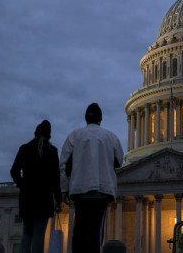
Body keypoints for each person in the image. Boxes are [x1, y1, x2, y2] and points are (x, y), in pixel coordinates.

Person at [59, 103, 124, 253]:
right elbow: (119, 161)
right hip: (102, 189)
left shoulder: (75, 135)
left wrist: (63, 189)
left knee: (79, 229)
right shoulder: (111, 137)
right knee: (96, 229)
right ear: (100, 119)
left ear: (86, 119)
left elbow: (63, 165)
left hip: (79, 189)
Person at [11, 120, 62, 253]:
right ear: (49, 136)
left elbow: (14, 171)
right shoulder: (52, 151)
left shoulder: (25, 148)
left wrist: (23, 184)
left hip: (27, 197)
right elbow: (56, 179)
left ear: (35, 133)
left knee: (27, 233)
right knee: (39, 234)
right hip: (44, 198)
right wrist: (58, 200)